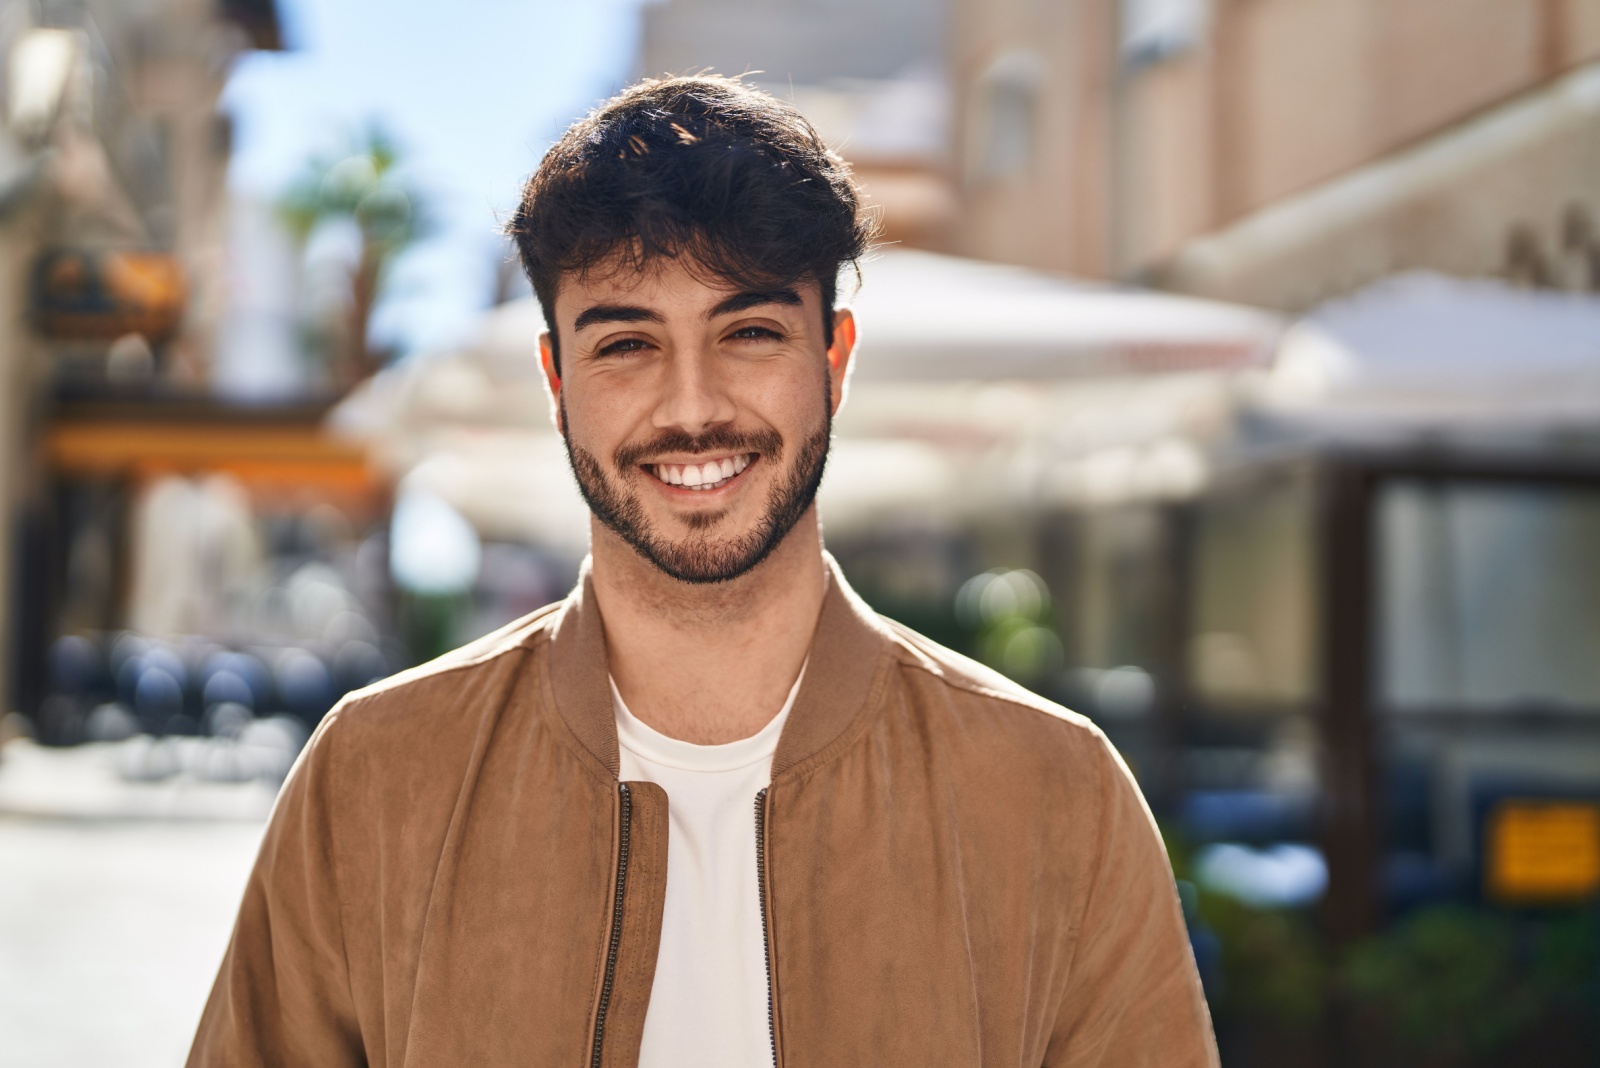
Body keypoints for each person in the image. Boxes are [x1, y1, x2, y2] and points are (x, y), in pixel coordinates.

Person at [189, 75, 1217, 1068]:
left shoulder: (1052, 795)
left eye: (750, 332)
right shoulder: (375, 778)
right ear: (558, 382)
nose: (692, 407)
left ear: (835, 360)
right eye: (627, 343)